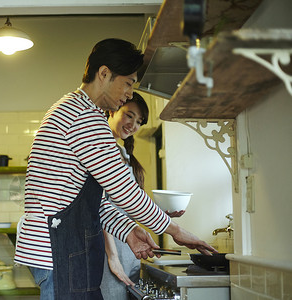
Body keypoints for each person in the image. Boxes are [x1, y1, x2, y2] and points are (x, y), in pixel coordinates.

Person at [14, 38, 216, 300]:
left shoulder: (76, 110)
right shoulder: (83, 117)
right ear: (104, 73)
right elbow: (124, 191)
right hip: (58, 252)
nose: (131, 93)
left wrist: (128, 230)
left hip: (60, 249)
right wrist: (175, 230)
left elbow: (91, 204)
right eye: (129, 83)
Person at [100, 92, 185, 299]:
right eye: (129, 115)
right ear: (112, 109)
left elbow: (126, 207)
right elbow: (100, 209)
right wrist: (112, 257)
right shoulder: (99, 151)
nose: (133, 125)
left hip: (129, 253)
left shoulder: (123, 154)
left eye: (139, 121)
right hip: (108, 253)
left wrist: (160, 215)